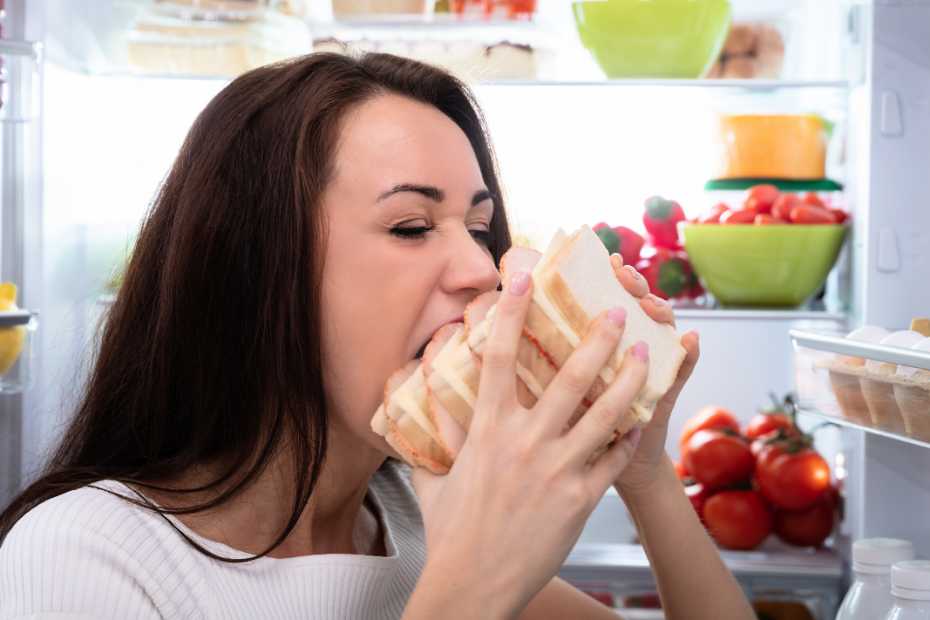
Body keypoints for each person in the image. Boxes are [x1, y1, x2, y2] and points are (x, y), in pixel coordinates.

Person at [0, 53, 754, 620]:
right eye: (411, 227)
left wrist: (644, 469)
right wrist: (471, 586)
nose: (480, 270)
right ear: (258, 269)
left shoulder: (407, 520)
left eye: (482, 229)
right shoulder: (83, 551)